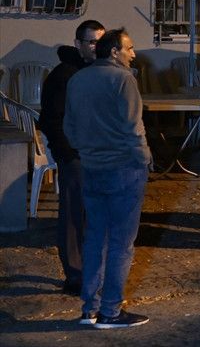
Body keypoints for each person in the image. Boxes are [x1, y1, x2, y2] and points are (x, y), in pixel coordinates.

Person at [62, 28, 151, 328]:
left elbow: (70, 127)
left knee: (95, 238)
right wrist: (144, 158)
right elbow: (133, 127)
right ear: (114, 51)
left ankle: (90, 308)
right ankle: (111, 311)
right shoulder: (123, 79)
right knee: (121, 243)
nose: (133, 54)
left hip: (91, 166)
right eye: (129, 48)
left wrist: (88, 150)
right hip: (124, 167)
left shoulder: (78, 79)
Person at [36, 19, 104, 295]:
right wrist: (67, 153)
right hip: (75, 156)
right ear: (78, 44)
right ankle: (75, 275)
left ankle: (89, 271)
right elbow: (51, 119)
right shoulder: (64, 75)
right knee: (73, 215)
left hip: (96, 155)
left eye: (101, 41)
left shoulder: (97, 71)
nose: (97, 47)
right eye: (92, 42)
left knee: (93, 214)